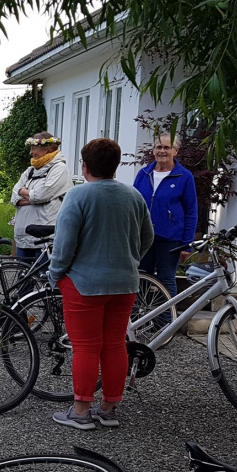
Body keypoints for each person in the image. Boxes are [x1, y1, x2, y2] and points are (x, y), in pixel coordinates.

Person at [48, 138, 154, 430]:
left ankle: (81, 411)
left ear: (84, 166)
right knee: (115, 344)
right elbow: (148, 237)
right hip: (125, 283)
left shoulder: (78, 196)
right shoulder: (133, 196)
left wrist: (56, 273)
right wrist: (130, 260)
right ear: (116, 165)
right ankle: (108, 408)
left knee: (85, 347)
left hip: (84, 284)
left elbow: (64, 244)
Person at [133, 133, 198, 297]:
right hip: (144, 237)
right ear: (153, 150)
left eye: (166, 147)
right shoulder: (143, 174)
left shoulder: (184, 176)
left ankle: (168, 320)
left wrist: (187, 244)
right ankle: (141, 320)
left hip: (170, 239)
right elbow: (133, 205)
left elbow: (191, 211)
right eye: (158, 147)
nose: (162, 151)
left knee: (166, 280)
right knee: (141, 278)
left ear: (175, 151)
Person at [11, 132, 73, 264]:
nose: (31, 152)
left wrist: (26, 194)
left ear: (46, 149)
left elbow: (42, 195)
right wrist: (31, 197)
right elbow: (14, 195)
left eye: (34, 148)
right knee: (23, 280)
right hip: (23, 236)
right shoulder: (30, 170)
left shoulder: (59, 169)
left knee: (44, 279)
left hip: (44, 239)